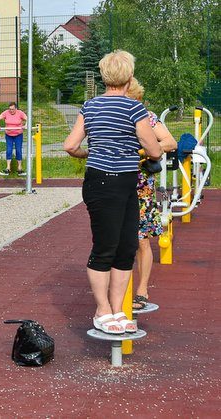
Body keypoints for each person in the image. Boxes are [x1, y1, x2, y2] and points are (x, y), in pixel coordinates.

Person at [63, 50, 163, 335]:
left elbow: (70, 146)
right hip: (122, 180)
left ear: (104, 77)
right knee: (118, 247)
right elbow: (154, 149)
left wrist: (88, 153)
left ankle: (116, 309)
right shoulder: (135, 109)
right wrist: (137, 149)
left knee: (118, 246)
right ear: (129, 78)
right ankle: (104, 310)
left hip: (101, 181)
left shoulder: (90, 106)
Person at [126, 78, 177, 310]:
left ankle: (142, 289)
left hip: (141, 184)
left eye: (129, 98)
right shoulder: (115, 115)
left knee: (141, 239)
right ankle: (120, 289)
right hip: (117, 181)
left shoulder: (148, 117)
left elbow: (170, 141)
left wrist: (145, 150)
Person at [0, 102, 28, 175]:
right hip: (9, 135)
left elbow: (27, 119)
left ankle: (19, 167)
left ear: (16, 108)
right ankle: (8, 167)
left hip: (18, 135)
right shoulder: (6, 113)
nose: (11, 111)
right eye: (10, 109)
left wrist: (25, 125)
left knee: (18, 150)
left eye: (13, 109)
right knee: (9, 150)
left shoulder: (20, 113)